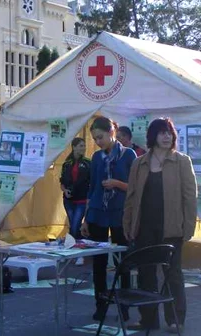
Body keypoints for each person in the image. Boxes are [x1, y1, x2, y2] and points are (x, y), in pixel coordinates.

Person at [122, 117, 197, 334]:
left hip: (172, 227)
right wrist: (127, 223)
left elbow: (190, 198)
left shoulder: (182, 161)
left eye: (169, 132)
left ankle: (175, 319)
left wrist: (189, 227)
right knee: (146, 274)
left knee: (172, 274)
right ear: (152, 136)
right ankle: (148, 319)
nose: (166, 136)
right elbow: (131, 197)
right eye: (162, 132)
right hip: (145, 227)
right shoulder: (139, 163)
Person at [81, 116, 137, 321]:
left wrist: (116, 183)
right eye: (95, 139)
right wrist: (86, 218)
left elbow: (135, 187)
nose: (98, 141)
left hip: (120, 213)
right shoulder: (96, 158)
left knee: (123, 262)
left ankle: (124, 307)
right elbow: (93, 188)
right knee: (99, 262)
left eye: (101, 137)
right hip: (97, 212)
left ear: (112, 132)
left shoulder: (128, 155)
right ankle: (101, 305)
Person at [60, 137, 90, 265]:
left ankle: (77, 253)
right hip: (68, 199)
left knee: (76, 224)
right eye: (80, 146)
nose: (83, 148)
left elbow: (91, 181)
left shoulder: (88, 163)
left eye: (84, 146)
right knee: (73, 225)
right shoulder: (67, 163)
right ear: (74, 147)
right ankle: (72, 250)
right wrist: (65, 190)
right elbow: (61, 181)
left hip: (82, 199)